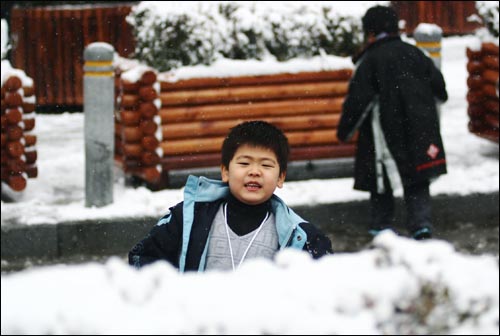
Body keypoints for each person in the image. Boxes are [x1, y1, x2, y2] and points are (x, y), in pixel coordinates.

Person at [129, 120, 333, 271]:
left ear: (281, 177)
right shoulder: (190, 217)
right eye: (244, 163)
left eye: (266, 165)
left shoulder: (301, 237)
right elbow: (143, 258)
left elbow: (321, 288)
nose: (255, 171)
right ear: (225, 172)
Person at [337, 5, 448, 240]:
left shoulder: (369, 61)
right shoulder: (416, 53)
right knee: (418, 177)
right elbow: (440, 89)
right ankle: (421, 223)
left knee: (382, 179)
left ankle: (381, 223)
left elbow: (358, 100)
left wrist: (344, 130)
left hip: (386, 130)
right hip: (420, 129)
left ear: (370, 32)